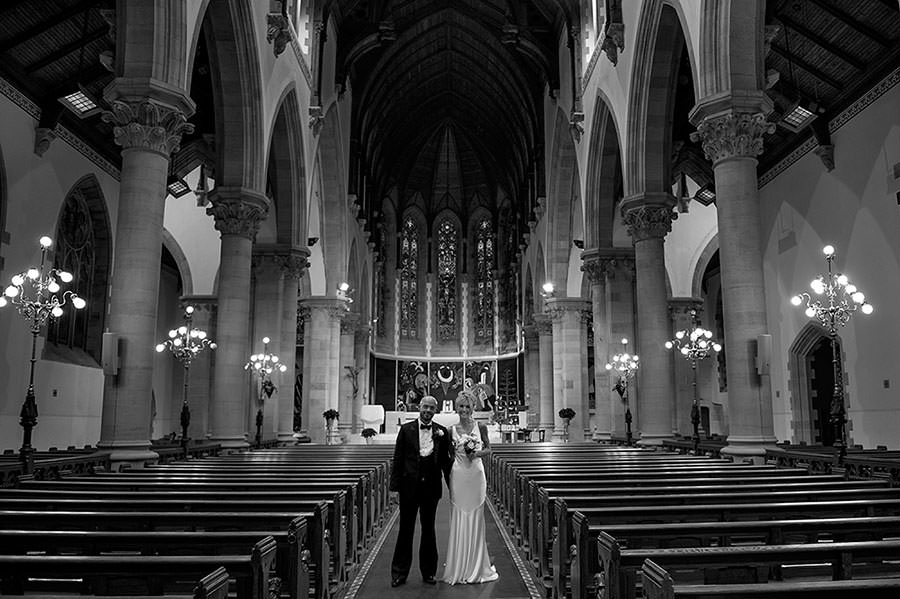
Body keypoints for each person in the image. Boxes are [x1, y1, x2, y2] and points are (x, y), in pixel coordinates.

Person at [389, 396, 453, 587]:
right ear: (419, 407)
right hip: (409, 488)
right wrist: (394, 489)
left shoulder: (441, 431)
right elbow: (398, 459)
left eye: (432, 408)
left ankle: (429, 572)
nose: (428, 410)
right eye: (425, 406)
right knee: (405, 531)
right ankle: (399, 573)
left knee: (429, 530)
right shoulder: (406, 430)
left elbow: (445, 463)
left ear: (436, 410)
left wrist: (453, 488)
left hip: (431, 489)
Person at [441, 389, 499, 584]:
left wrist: (476, 453)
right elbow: (449, 455)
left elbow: (489, 449)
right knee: (459, 515)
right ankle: (458, 563)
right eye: (461, 406)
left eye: (468, 406)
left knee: (475, 516)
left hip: (476, 475)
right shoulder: (451, 430)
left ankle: (476, 563)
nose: (464, 409)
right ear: (457, 408)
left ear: (473, 407)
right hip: (459, 476)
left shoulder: (480, 427)